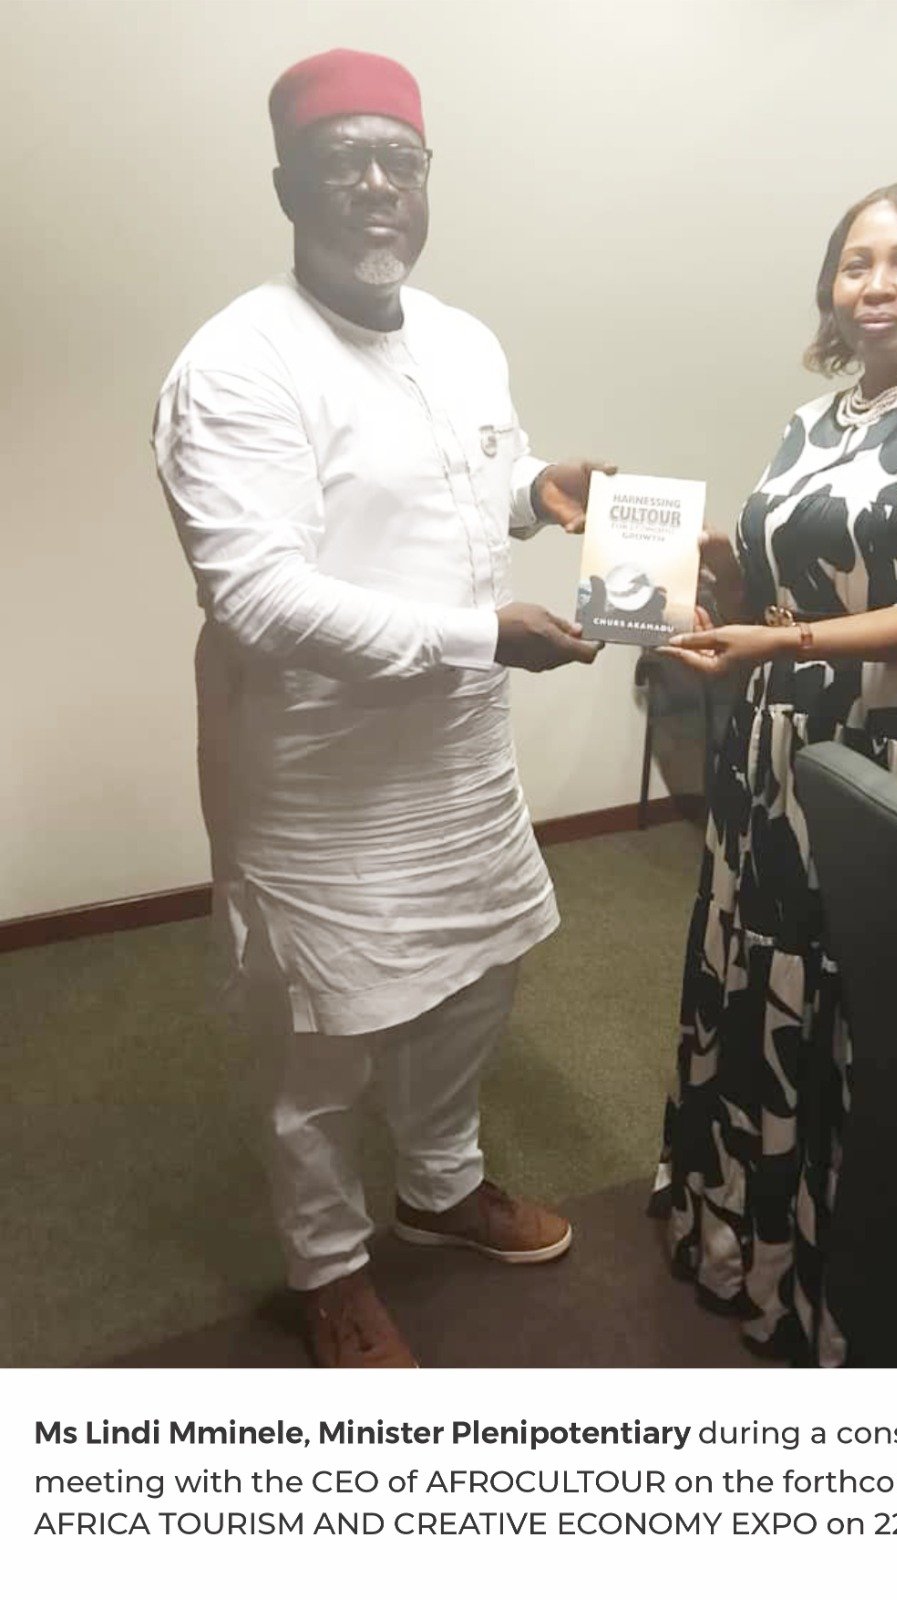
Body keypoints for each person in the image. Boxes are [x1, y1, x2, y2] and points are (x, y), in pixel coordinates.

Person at [152, 49, 613, 1368]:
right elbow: (259, 596)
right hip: (317, 783)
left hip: (458, 760)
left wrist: (537, 491)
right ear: (286, 184)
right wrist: (484, 636)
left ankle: (439, 1186)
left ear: (425, 182)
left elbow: (460, 479)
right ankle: (329, 1268)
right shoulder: (237, 363)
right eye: (343, 158)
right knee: (319, 1037)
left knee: (479, 975)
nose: (374, 185)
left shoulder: (462, 339)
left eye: (399, 161)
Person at [649, 182, 897, 1366]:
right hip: (777, 749)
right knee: (769, 981)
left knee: (863, 1004)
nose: (877, 285)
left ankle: (851, 1283)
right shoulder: (812, 420)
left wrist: (785, 645)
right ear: (832, 286)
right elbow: (789, 581)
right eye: (856, 263)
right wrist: (722, 572)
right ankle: (750, 1240)